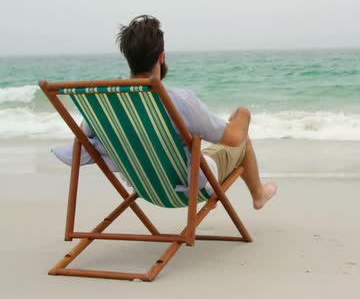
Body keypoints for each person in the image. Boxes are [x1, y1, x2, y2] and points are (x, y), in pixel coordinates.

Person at [53, 15, 277, 210]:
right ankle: (258, 194)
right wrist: (243, 113)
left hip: (142, 185)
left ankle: (258, 193)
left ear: (128, 58)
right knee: (243, 141)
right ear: (161, 57)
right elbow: (233, 138)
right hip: (189, 187)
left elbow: (84, 136)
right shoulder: (181, 101)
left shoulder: (103, 101)